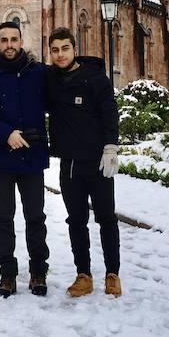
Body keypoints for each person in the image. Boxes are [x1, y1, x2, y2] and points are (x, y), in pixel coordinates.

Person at [0, 20, 50, 297]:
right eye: (4, 40)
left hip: (31, 157)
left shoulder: (37, 72)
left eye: (13, 39)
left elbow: (67, 79)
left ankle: (38, 271)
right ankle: (7, 274)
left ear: (21, 41)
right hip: (1, 158)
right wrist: (5, 133)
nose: (9, 45)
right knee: (3, 217)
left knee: (35, 217)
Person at [44, 27, 122, 298]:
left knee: (106, 218)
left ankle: (113, 274)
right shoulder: (50, 78)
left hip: (97, 161)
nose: (60, 54)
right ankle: (84, 274)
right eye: (55, 50)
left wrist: (111, 146)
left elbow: (109, 112)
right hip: (70, 164)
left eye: (65, 48)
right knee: (76, 220)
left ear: (74, 49)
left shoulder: (95, 78)